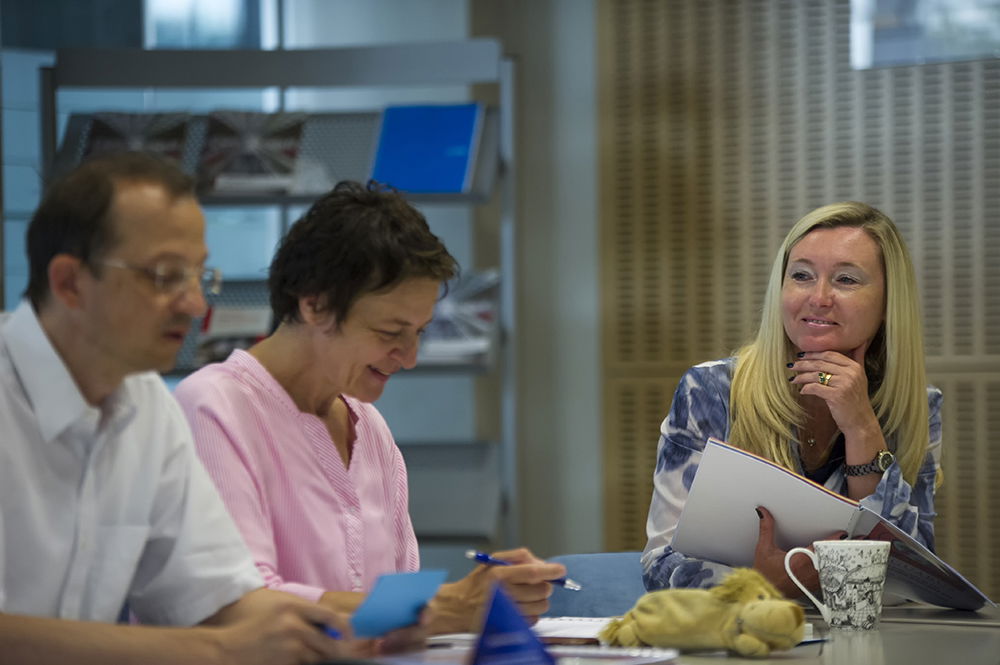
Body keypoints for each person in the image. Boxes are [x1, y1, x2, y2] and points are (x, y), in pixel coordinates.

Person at [0, 152, 351, 665]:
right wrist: (217, 650)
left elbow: (219, 600)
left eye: (199, 275)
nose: (195, 304)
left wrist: (351, 634)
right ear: (69, 282)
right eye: (166, 276)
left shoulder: (146, 406)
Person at [174, 181, 566, 634]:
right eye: (389, 332)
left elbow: (396, 605)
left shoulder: (371, 428)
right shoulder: (213, 407)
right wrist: (446, 606)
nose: (409, 357)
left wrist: (474, 600)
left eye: (418, 332)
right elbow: (238, 604)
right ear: (315, 305)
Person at [641, 201, 940, 598]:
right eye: (801, 275)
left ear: (888, 304)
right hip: (742, 639)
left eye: (846, 280)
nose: (819, 297)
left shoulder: (915, 405)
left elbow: (912, 577)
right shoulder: (711, 390)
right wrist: (762, 588)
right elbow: (659, 563)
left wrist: (862, 426)